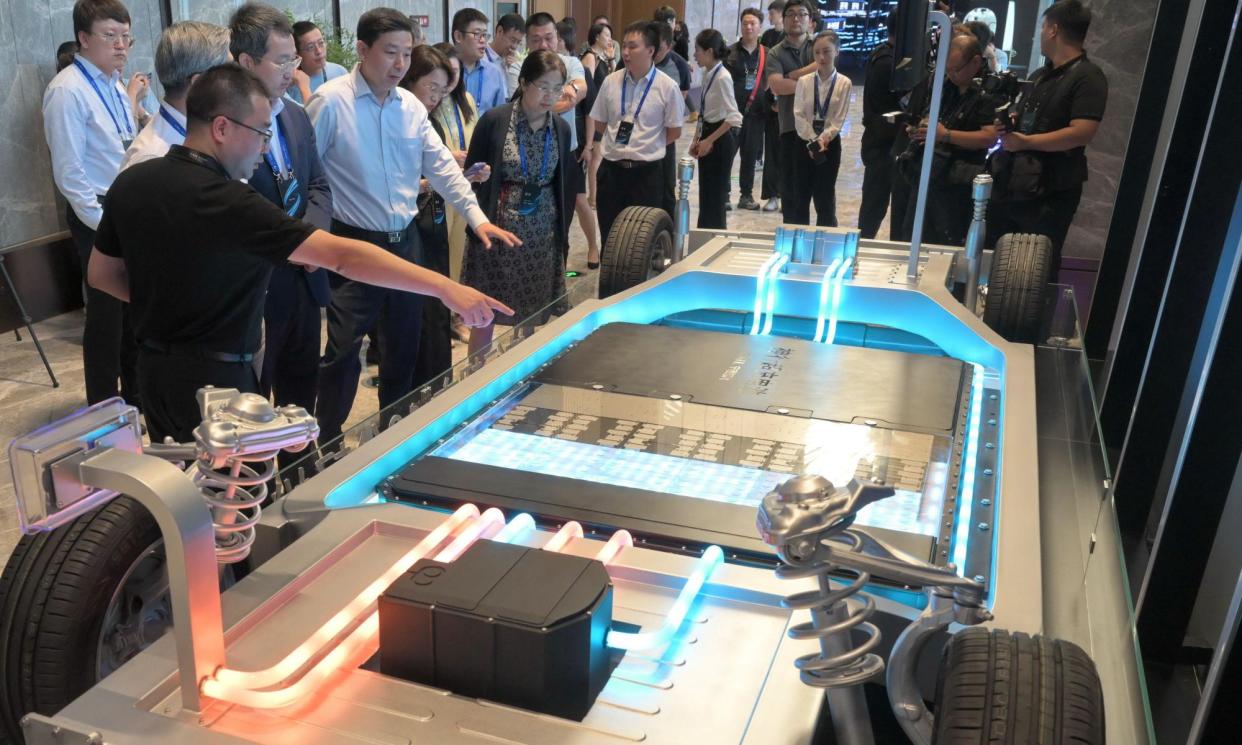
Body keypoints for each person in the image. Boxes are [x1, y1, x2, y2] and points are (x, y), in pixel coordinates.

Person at [87, 64, 512, 444]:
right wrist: (445, 288)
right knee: (234, 508)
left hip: (153, 374)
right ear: (221, 127)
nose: (262, 147)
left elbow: (102, 275)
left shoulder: (133, 180)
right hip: (218, 383)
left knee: (183, 498)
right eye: (259, 132)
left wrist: (170, 308)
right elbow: (344, 257)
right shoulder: (230, 202)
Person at [306, 9, 520, 444]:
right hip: (354, 245)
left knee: (405, 346)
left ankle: (394, 433)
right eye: (390, 52)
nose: (400, 63)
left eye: (406, 53)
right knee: (343, 351)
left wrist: (478, 218)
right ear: (363, 50)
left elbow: (441, 167)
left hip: (405, 242)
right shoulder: (331, 101)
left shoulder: (410, 108)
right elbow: (310, 173)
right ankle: (324, 440)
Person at [230, 3, 334, 422]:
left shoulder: (293, 113)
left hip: (305, 279)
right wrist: (292, 246)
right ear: (246, 63)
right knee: (254, 401)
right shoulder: (227, 125)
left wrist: (311, 243)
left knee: (300, 389)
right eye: (282, 60)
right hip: (259, 283)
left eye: (294, 58)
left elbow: (318, 185)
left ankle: (300, 470)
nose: (292, 69)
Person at [43, 0, 143, 406]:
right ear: (84, 38)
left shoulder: (114, 83)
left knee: (131, 309)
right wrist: (103, 223)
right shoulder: (67, 90)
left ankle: (137, 397)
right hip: (95, 211)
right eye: (110, 36)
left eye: (126, 37)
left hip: (123, 202)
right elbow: (69, 172)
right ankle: (103, 407)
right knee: (104, 316)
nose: (121, 46)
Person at [462, 50, 573, 357]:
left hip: (540, 236)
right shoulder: (495, 121)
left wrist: (561, 238)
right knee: (484, 313)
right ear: (524, 83)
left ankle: (518, 374)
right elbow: (470, 175)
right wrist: (477, 177)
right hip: (496, 232)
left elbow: (563, 184)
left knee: (530, 316)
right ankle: (476, 376)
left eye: (557, 88)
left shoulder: (561, 129)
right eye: (543, 86)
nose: (550, 95)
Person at [987, 0, 1107, 271]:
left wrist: (1027, 142)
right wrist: (1011, 123)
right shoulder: (1041, 74)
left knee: (1035, 267)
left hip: (1051, 191)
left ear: (1053, 30)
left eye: (1042, 27)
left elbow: (1082, 132)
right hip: (1014, 183)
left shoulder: (1089, 77)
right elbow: (1026, 116)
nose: (1039, 34)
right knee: (997, 260)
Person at [401, 45, 489, 387]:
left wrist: (462, 179)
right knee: (417, 316)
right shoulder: (403, 118)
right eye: (432, 88)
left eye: (444, 88)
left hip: (433, 220)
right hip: (410, 227)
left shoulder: (426, 117)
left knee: (435, 308)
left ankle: (437, 387)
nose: (438, 96)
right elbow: (406, 186)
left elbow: (436, 177)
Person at [585, 21, 684, 245]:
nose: (626, 52)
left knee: (642, 242)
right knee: (610, 239)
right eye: (625, 46)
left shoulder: (667, 87)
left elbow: (674, 131)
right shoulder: (611, 82)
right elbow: (600, 122)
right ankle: (609, 281)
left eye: (633, 46)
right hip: (612, 173)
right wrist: (620, 143)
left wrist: (646, 144)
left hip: (647, 175)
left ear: (651, 50)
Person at [896, 34, 997, 246]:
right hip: (928, 173)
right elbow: (931, 118)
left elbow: (989, 137)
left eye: (956, 69)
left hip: (957, 182)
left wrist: (946, 135)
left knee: (946, 243)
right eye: (947, 69)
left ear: (976, 62)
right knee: (913, 235)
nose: (951, 74)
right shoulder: (944, 85)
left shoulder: (988, 93)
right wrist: (921, 130)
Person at [521, 14, 589, 266]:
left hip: (562, 154)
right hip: (522, 156)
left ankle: (558, 271)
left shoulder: (570, 63)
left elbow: (579, 89)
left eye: (549, 38)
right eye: (536, 39)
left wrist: (550, 97)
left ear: (558, 38)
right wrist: (562, 97)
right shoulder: (519, 68)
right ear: (527, 42)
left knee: (562, 218)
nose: (543, 45)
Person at [121, 21, 230, 170]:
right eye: (229, 75)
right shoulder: (152, 158)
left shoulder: (201, 129)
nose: (238, 84)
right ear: (199, 84)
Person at [429, 42, 478, 283]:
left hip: (465, 184)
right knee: (439, 251)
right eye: (445, 73)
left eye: (455, 74)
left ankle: (456, 310)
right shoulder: (427, 103)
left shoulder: (466, 100)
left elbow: (476, 136)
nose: (450, 81)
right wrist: (450, 156)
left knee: (460, 249)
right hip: (436, 189)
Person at [791, 30, 851, 227]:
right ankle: (799, 246)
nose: (821, 57)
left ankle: (826, 245)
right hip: (804, 144)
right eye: (817, 52)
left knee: (824, 198)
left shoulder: (844, 83)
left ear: (837, 51)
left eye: (826, 51)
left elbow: (838, 119)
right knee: (800, 197)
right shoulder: (804, 81)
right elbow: (798, 114)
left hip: (830, 145)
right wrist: (812, 140)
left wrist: (824, 139)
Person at [765, 0, 817, 224]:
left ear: (810, 20)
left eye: (802, 14)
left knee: (821, 194)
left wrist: (794, 75)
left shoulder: (818, 46)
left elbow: (826, 72)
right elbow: (777, 86)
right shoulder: (775, 53)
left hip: (819, 130)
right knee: (791, 191)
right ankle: (793, 239)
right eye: (791, 15)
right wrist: (810, 81)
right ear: (784, 20)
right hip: (789, 128)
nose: (796, 18)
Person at [690, 30, 742, 230]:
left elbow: (734, 117)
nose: (694, 55)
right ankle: (703, 237)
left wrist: (709, 140)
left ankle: (717, 239)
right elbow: (704, 111)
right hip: (707, 133)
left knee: (717, 196)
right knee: (706, 194)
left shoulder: (722, 77)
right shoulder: (707, 73)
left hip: (720, 139)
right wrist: (696, 138)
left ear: (709, 51)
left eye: (697, 51)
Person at [858, 17, 903, 238]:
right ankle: (862, 248)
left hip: (884, 144)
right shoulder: (888, 61)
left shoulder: (887, 56)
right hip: (883, 145)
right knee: (874, 207)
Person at [726, 8, 771, 211]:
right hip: (732, 115)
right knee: (727, 155)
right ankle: (724, 195)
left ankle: (746, 196)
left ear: (760, 26)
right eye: (745, 23)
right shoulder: (729, 53)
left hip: (757, 115)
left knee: (750, 157)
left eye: (752, 23)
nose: (748, 27)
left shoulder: (768, 54)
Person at [653, 21, 692, 219]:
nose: (652, 51)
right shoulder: (632, 60)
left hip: (665, 134)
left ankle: (667, 232)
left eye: (657, 47)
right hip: (637, 137)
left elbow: (683, 95)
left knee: (667, 186)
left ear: (669, 46)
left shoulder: (679, 64)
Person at [581, 22, 612, 224]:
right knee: (595, 157)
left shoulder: (603, 58)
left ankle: (594, 196)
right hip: (593, 112)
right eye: (606, 35)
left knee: (599, 155)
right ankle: (592, 198)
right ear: (596, 36)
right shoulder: (590, 57)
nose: (609, 39)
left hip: (602, 112)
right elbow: (588, 88)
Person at [452, 8, 507, 115]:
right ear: (458, 36)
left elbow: (500, 117)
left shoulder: (494, 73)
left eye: (485, 35)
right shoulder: (444, 70)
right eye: (477, 34)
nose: (483, 40)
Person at [287, 21, 348, 105]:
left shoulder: (340, 72)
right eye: (311, 47)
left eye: (321, 43)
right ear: (297, 54)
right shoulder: (289, 84)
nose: (319, 51)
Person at [486, 12, 525, 95]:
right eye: (512, 40)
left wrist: (514, 71)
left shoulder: (515, 61)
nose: (514, 46)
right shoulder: (482, 56)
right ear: (499, 31)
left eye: (518, 42)